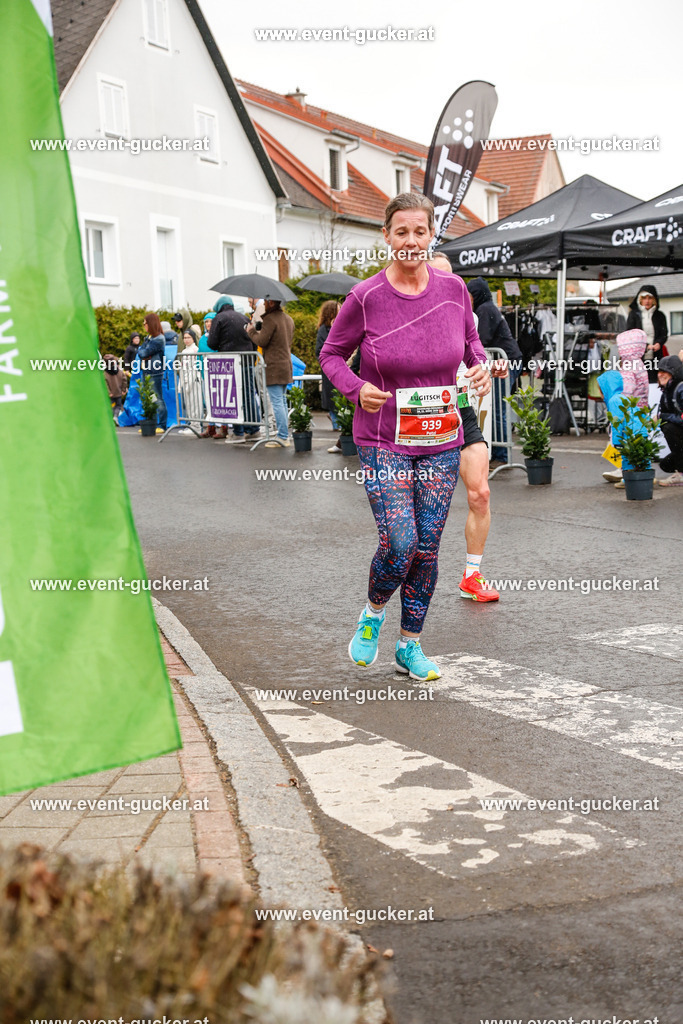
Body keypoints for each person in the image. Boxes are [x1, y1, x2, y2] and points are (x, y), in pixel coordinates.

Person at [320, 192, 491, 681]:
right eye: (402, 232)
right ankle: (373, 613)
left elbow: (471, 345)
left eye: (421, 232)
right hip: (383, 438)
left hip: (440, 438)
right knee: (400, 541)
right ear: (387, 236)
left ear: (430, 234)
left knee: (428, 548)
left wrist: (480, 368)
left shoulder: (454, 290)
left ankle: (409, 645)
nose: (412, 241)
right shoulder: (365, 297)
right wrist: (357, 389)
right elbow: (331, 356)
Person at [430, 258, 504, 602]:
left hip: (461, 411)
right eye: (439, 274)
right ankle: (404, 577)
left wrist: (490, 367)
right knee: (423, 510)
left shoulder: (465, 314)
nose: (448, 283)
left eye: (451, 276)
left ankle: (471, 575)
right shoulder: (407, 311)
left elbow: (474, 351)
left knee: (481, 494)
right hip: (423, 414)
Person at [467, 277, 523, 469]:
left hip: (503, 362)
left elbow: (481, 338)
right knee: (496, 408)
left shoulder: (485, 309)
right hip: (503, 360)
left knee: (498, 408)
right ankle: (498, 453)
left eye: (470, 295)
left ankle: (501, 455)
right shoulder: (486, 308)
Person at [209, 295, 260, 443]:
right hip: (247, 360)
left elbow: (212, 343)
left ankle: (238, 432)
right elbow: (254, 339)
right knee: (249, 395)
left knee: (234, 397)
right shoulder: (244, 318)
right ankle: (253, 430)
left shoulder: (219, 319)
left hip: (229, 363)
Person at [602, 329, 650, 483]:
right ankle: (640, 469)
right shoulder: (639, 364)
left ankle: (627, 471)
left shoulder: (629, 368)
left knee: (626, 441)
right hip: (641, 411)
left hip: (630, 414)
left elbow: (626, 395)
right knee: (639, 442)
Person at [246, 299, 294, 448]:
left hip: (273, 366)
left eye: (266, 301)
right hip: (286, 365)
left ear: (272, 303)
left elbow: (261, 341)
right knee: (282, 402)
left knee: (277, 402)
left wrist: (251, 331)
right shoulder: (288, 319)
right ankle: (284, 435)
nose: (264, 304)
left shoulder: (270, 319)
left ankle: (282, 437)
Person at [626, 285, 668, 382]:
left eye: (650, 298)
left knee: (654, 380)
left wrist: (659, 343)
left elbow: (664, 333)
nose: (647, 301)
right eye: (644, 298)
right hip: (638, 355)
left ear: (654, 300)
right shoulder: (634, 315)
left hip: (656, 355)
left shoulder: (660, 315)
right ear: (640, 300)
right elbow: (630, 334)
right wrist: (646, 346)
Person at [655, 354, 683, 486]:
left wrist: (662, 417)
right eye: (659, 371)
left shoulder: (681, 388)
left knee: (669, 428)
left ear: (674, 373)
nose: (661, 374)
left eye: (665, 371)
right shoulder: (667, 390)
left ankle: (682, 475)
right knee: (666, 465)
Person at [138, 313, 167, 433]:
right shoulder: (149, 338)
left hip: (155, 373)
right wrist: (145, 353)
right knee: (151, 398)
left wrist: (145, 354)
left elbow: (143, 353)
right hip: (147, 371)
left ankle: (162, 424)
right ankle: (153, 423)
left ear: (151, 324)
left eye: (145, 323)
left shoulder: (159, 339)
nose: (144, 326)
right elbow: (141, 352)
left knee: (157, 399)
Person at [316, 301, 342, 429]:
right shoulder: (323, 330)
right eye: (338, 309)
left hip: (342, 368)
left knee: (341, 399)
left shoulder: (343, 326)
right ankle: (337, 424)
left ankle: (338, 421)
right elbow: (320, 350)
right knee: (332, 399)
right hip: (330, 371)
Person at [103, 353, 125, 424]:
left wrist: (109, 392)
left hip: (111, 394)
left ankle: (111, 417)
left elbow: (105, 384)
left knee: (111, 405)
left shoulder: (105, 373)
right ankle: (115, 416)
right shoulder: (120, 371)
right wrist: (123, 389)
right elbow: (124, 380)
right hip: (118, 392)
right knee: (118, 406)